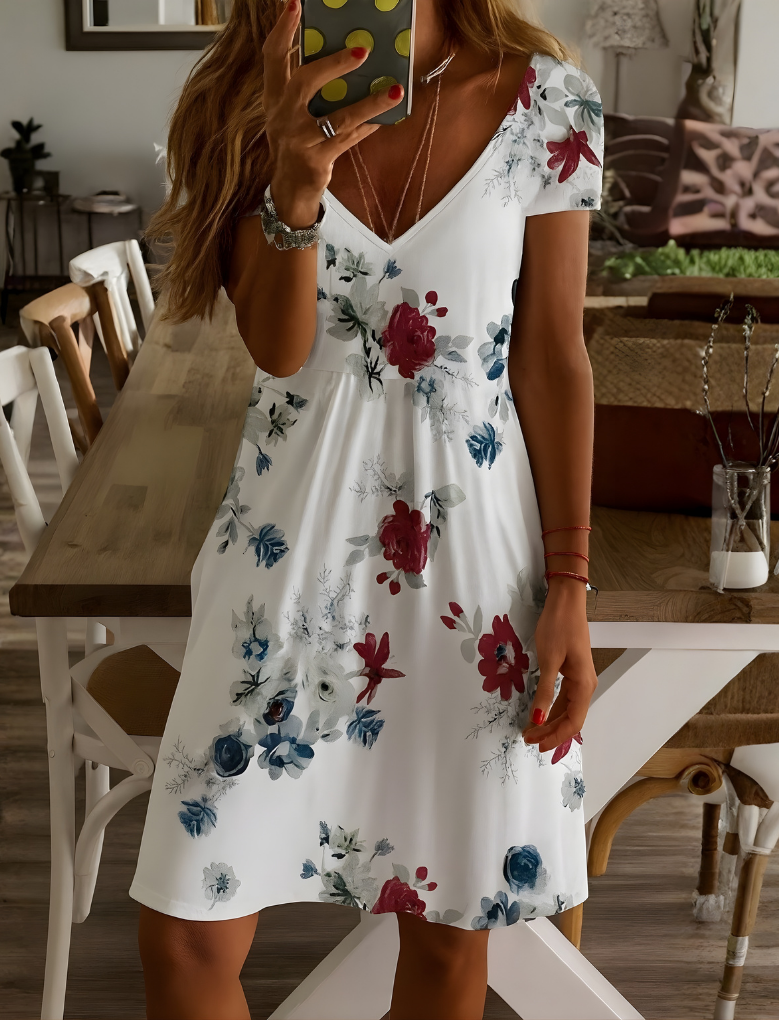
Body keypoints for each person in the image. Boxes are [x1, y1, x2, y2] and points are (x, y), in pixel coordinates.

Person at [132, 0, 602, 1015]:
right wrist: (295, 181)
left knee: (446, 933)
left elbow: (554, 358)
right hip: (282, 556)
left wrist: (571, 583)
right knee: (184, 937)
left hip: (473, 569)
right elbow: (280, 352)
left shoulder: (546, 99)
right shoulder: (245, 96)